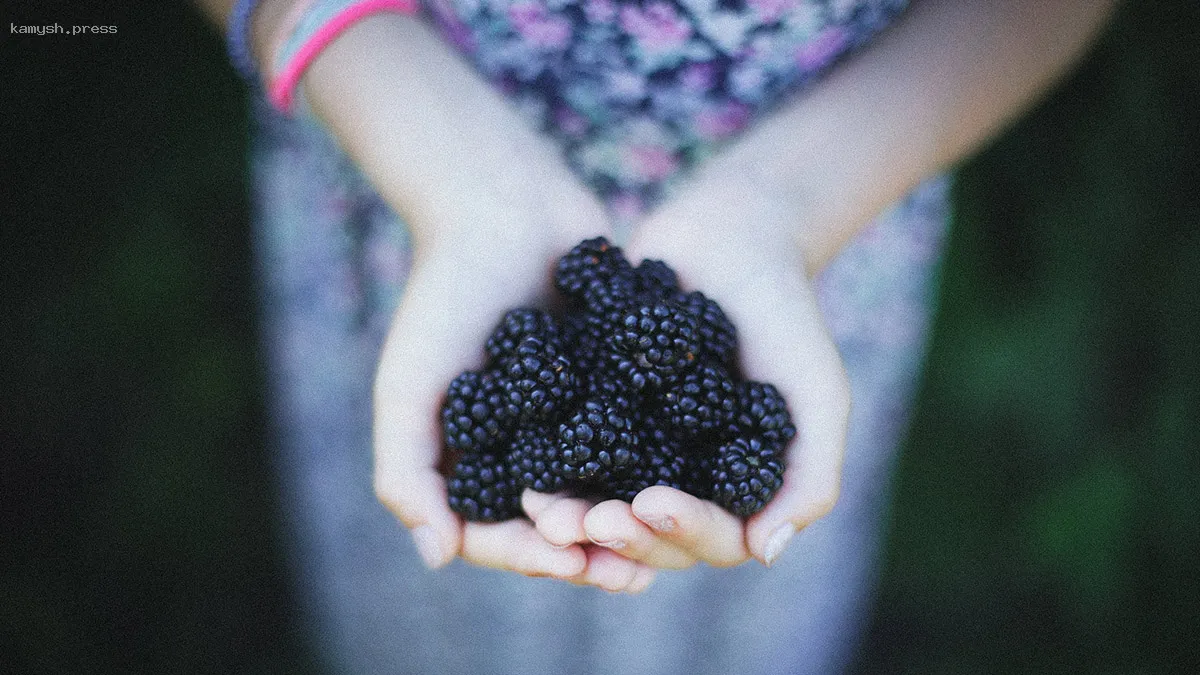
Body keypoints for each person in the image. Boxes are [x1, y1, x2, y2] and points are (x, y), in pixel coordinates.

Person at [196, 0, 1116, 672]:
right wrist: (451, 178)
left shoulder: (696, 362)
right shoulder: (559, 363)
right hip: (408, 174)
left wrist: (788, 207)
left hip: (821, 221)